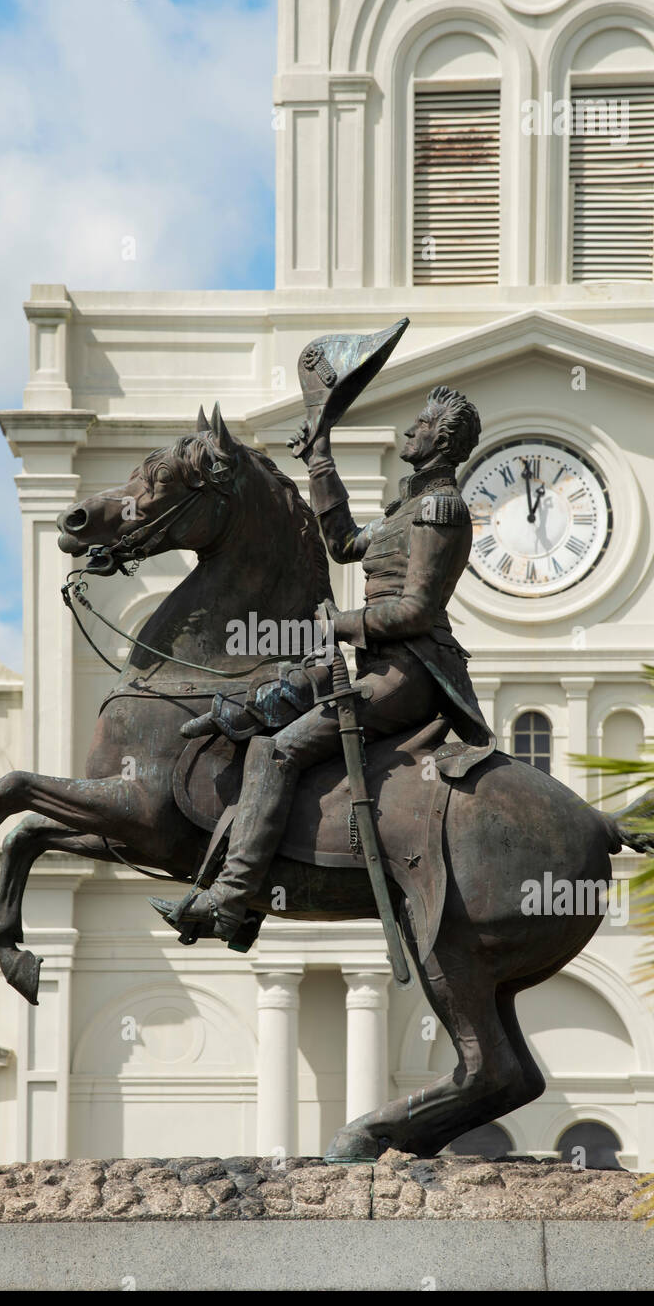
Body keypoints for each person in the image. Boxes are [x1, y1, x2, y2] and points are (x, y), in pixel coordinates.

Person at [172, 384, 496, 944]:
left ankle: (233, 897)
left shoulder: (441, 509)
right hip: (373, 663)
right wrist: (319, 458)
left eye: (420, 423)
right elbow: (344, 542)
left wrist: (337, 624)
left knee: (277, 752)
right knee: (271, 698)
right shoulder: (407, 509)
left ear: (441, 439)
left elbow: (417, 610)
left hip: (408, 673)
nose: (408, 431)